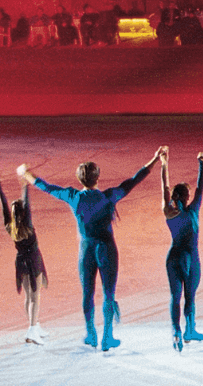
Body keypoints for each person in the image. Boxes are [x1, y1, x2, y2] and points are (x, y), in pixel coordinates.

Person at [22, 149, 162, 351]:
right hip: (106, 248)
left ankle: (91, 334)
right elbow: (133, 181)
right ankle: (107, 337)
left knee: (87, 293)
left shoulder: (73, 196)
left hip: (86, 250)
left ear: (80, 179)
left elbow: (47, 187)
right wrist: (155, 158)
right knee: (108, 293)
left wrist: (26, 174)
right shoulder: (109, 197)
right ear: (98, 177)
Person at [160, 150, 203, 352]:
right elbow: (201, 188)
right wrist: (202, 164)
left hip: (173, 257)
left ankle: (176, 332)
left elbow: (165, 188)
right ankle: (190, 330)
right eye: (187, 195)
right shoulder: (192, 211)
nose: (191, 197)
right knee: (189, 295)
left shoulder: (169, 211)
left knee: (175, 296)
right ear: (183, 196)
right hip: (190, 259)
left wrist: (164, 164)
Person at [0, 167, 47, 344]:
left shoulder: (9, 226)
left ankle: (35, 325)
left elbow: (4, 206)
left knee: (28, 297)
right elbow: (27, 203)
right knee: (36, 297)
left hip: (20, 261)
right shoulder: (28, 224)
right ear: (24, 214)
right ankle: (32, 330)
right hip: (33, 259)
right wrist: (24, 183)